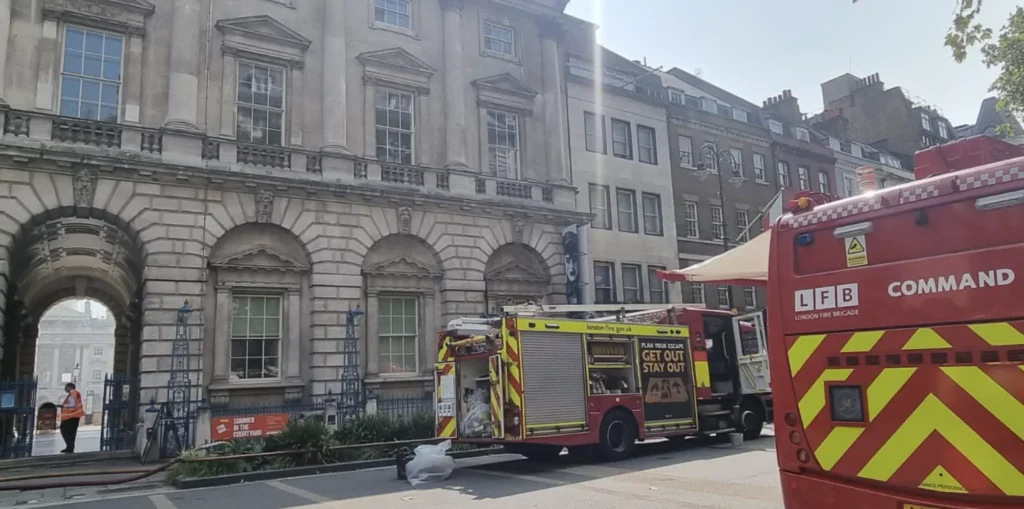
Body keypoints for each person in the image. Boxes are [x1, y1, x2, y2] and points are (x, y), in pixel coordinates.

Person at [59, 382, 84, 454]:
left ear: (70, 387)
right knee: (71, 433)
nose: (65, 389)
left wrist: (63, 406)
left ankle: (69, 447)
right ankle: (69, 447)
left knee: (65, 430)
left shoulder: (74, 394)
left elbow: (72, 404)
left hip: (71, 416)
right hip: (73, 416)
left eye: (66, 387)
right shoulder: (74, 393)